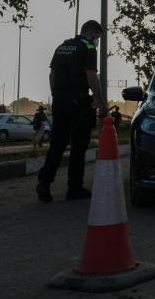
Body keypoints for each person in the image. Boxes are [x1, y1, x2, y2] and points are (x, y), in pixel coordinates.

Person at [36, 19, 108, 202]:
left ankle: (44, 183)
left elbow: (52, 74)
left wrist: (56, 96)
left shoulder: (62, 46)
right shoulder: (89, 48)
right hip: (79, 102)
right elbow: (91, 76)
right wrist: (100, 101)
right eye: (97, 37)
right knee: (79, 146)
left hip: (60, 101)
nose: (97, 41)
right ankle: (74, 188)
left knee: (57, 145)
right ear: (92, 33)